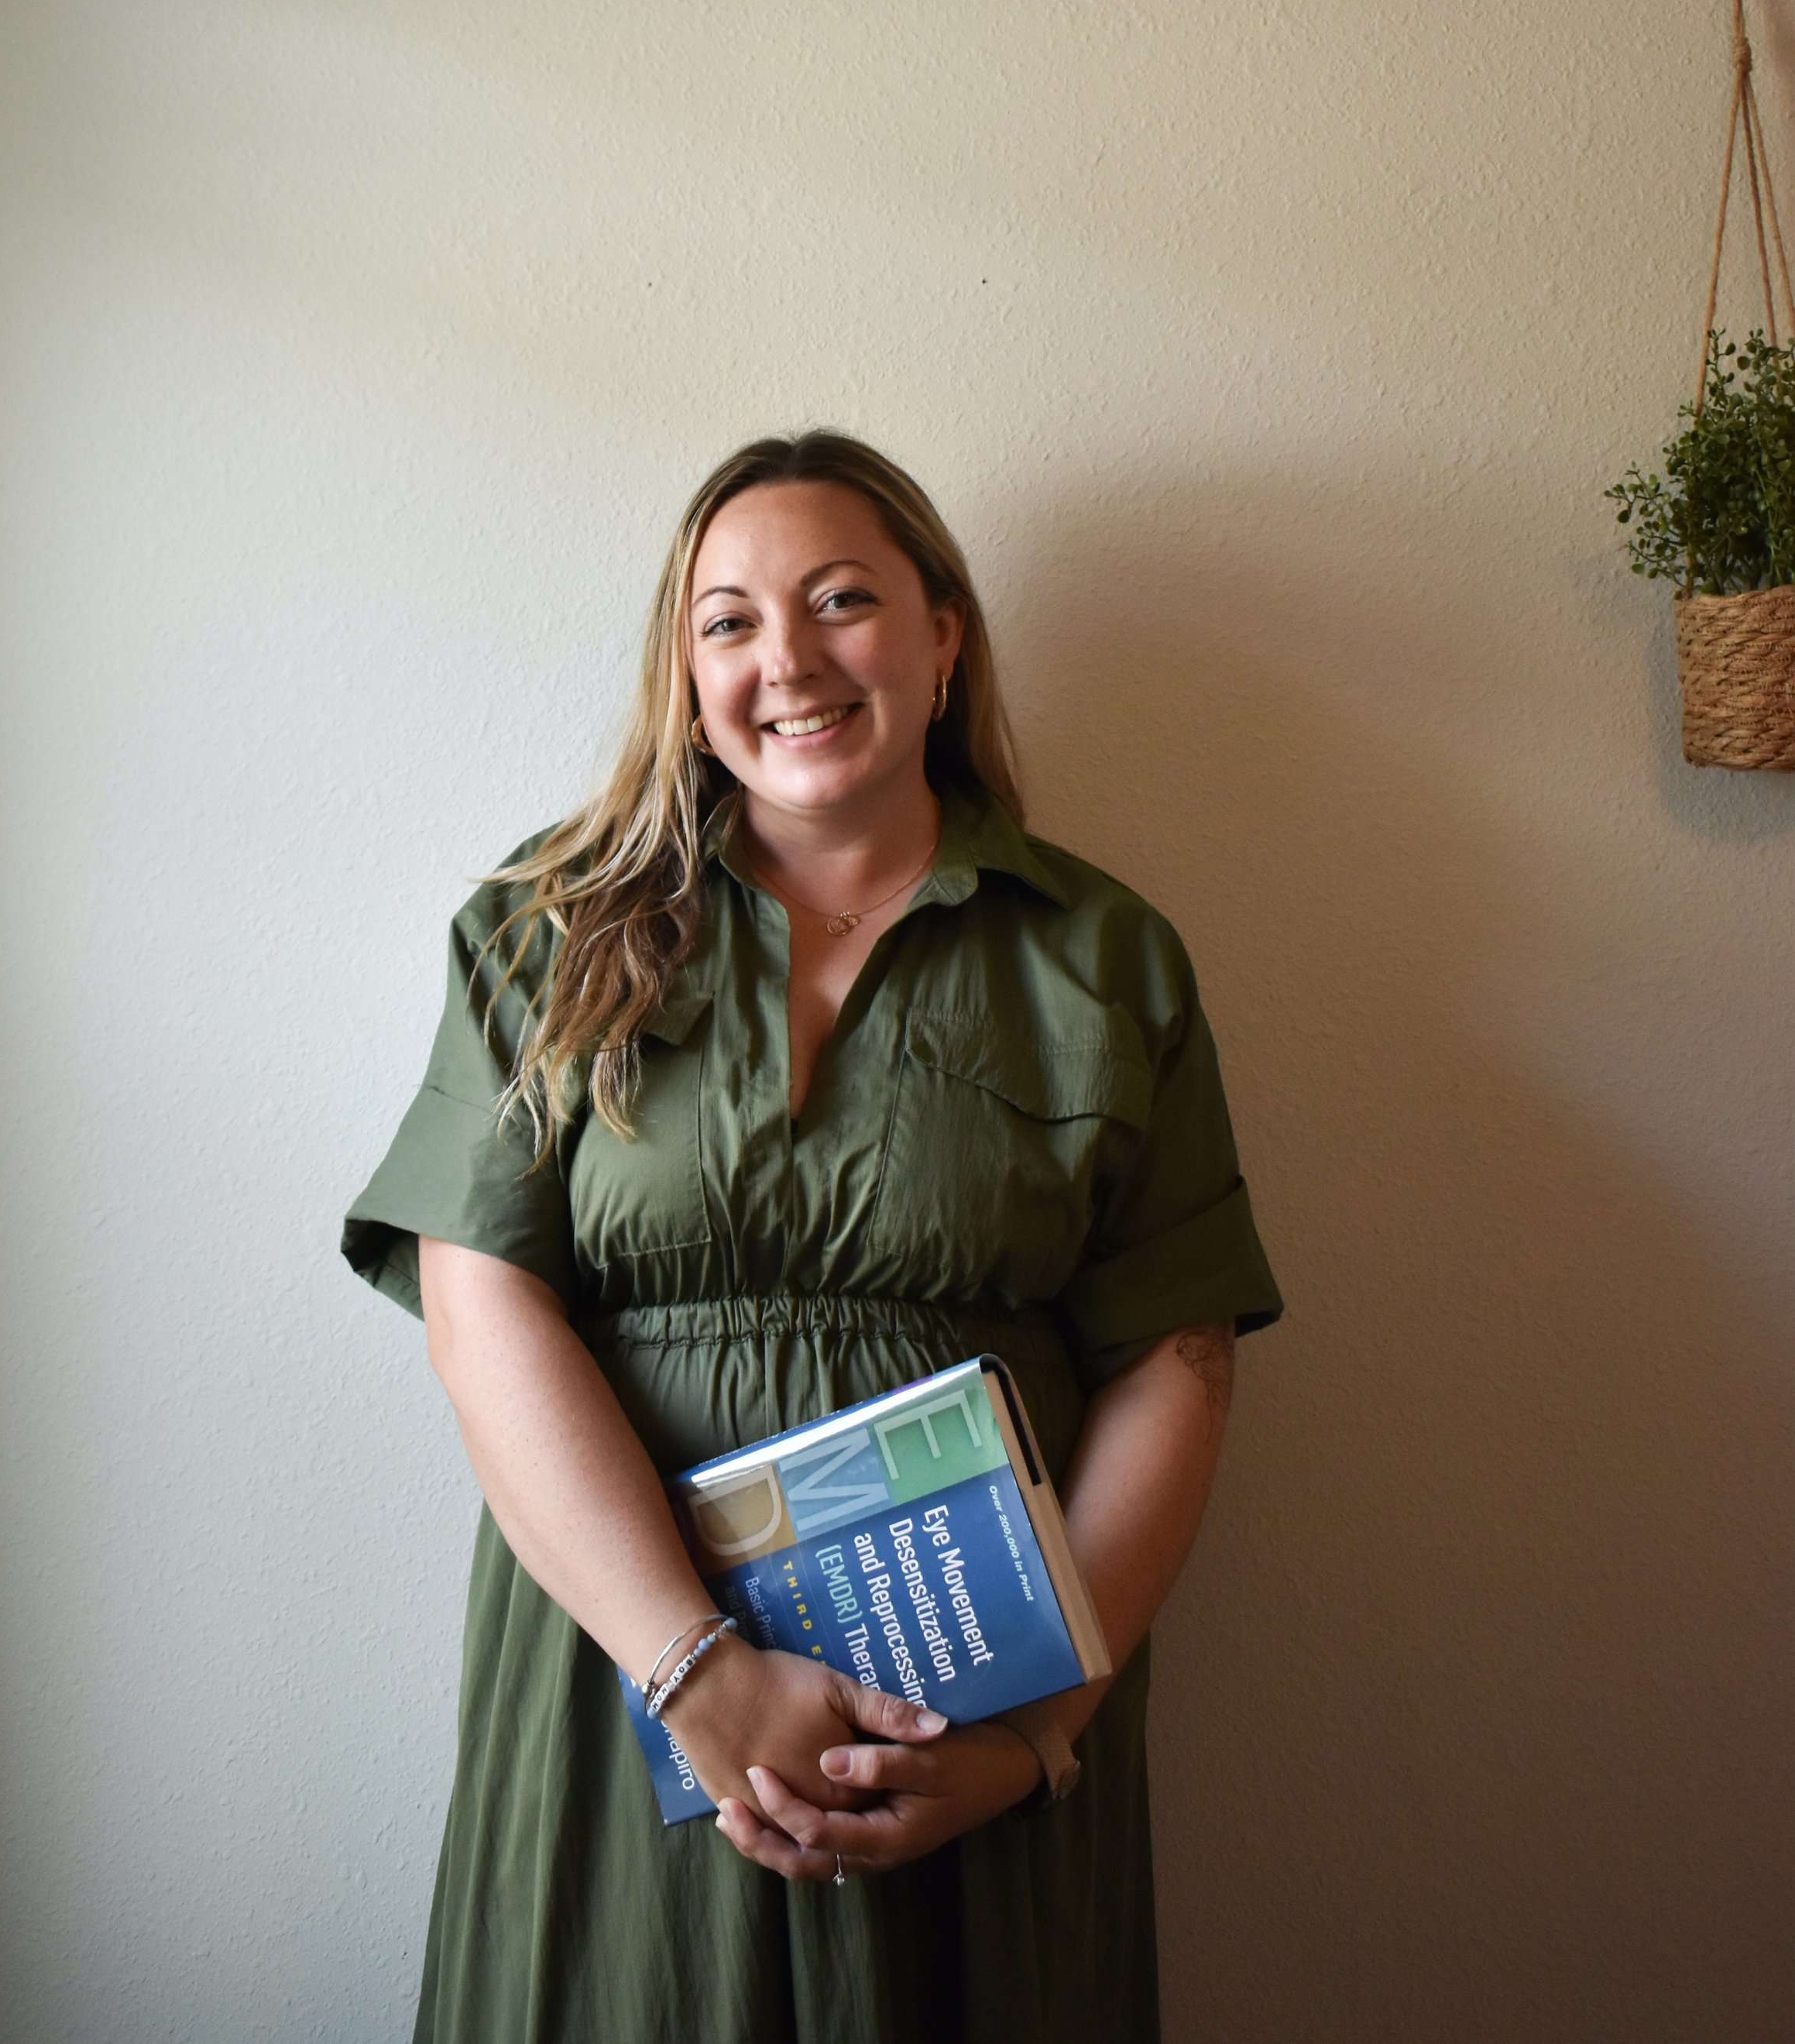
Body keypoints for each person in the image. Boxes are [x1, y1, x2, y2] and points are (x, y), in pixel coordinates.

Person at [344, 430, 1281, 2044]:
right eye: (727, 622)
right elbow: (478, 1305)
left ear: (939, 638)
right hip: (618, 1689)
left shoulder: (1107, 957)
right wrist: (692, 1670)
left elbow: (1176, 1363)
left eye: (840, 601)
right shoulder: (538, 934)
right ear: (682, 671)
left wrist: (1021, 1743)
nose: (785, 658)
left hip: (964, 1708)